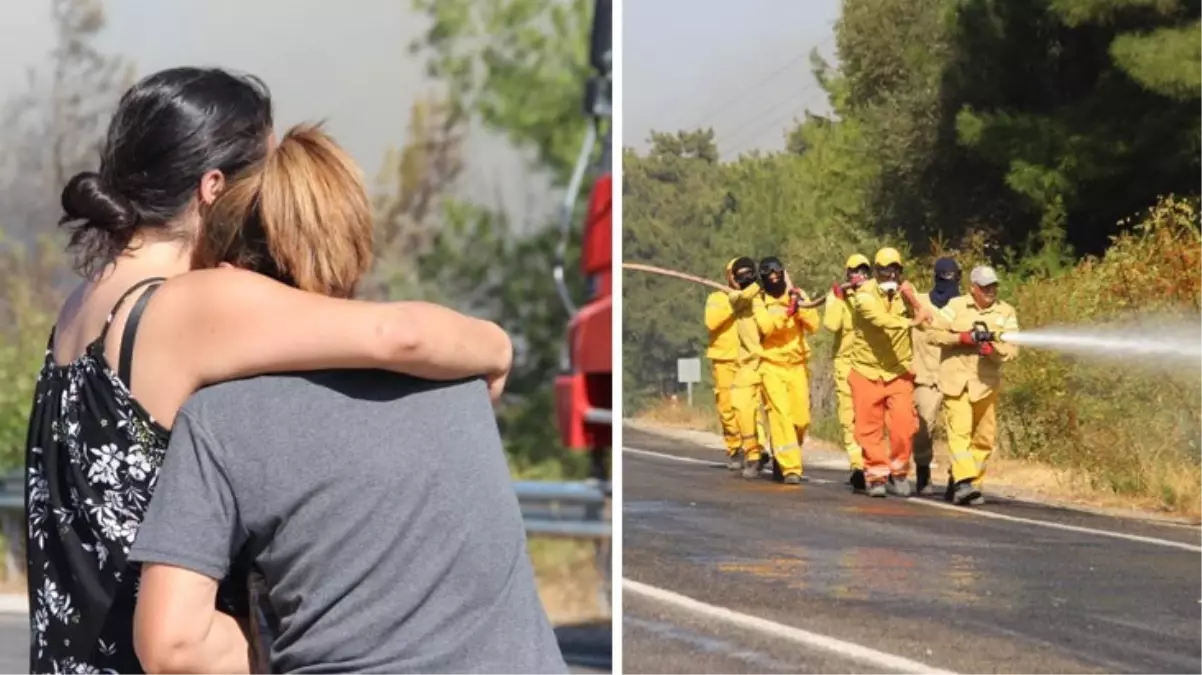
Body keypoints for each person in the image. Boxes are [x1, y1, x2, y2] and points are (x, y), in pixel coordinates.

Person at [24, 67, 513, 674]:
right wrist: (494, 346)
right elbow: (399, 335)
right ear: (213, 187)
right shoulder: (185, 304)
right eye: (262, 179)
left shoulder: (83, 303)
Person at [129, 125, 567, 674]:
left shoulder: (221, 418)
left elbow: (172, 645)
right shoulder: (457, 378)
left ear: (227, 274)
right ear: (355, 247)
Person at [926, 265, 1019, 505]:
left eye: (994, 286)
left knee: (984, 438)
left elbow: (1011, 350)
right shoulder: (955, 307)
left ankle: (967, 482)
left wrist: (993, 349)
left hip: (985, 385)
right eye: (985, 287)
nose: (991, 291)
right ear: (973, 288)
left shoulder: (1006, 312)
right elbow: (933, 334)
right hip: (956, 382)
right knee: (960, 433)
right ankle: (964, 482)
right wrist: (962, 338)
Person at [846, 247, 927, 498]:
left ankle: (899, 472)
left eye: (894, 269)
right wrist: (911, 322)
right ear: (876, 271)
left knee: (904, 425)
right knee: (869, 428)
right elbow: (880, 320)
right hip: (866, 371)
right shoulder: (864, 295)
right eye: (883, 269)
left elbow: (928, 318)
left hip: (898, 371)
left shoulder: (906, 292)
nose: (889, 274)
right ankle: (876, 476)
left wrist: (915, 303)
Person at [751, 256, 820, 484]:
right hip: (771, 366)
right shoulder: (759, 300)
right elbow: (765, 327)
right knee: (780, 415)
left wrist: (799, 307)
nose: (773, 279)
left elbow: (814, 325)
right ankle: (790, 468)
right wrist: (785, 313)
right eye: (768, 276)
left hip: (797, 365)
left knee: (800, 420)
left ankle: (783, 453)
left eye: (776, 274)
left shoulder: (797, 295)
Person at [910, 257, 962, 494]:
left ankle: (957, 478)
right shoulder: (919, 301)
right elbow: (903, 289)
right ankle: (923, 471)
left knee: (959, 431)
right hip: (925, 377)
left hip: (956, 378)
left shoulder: (963, 307)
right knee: (923, 428)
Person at [824, 253, 871, 492]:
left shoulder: (875, 294)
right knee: (849, 416)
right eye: (855, 271)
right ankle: (857, 466)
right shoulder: (837, 296)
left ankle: (876, 463)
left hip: (871, 364)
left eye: (864, 271)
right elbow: (831, 325)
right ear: (847, 275)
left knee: (872, 417)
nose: (859, 275)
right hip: (845, 363)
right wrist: (839, 300)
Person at [724, 257, 769, 479]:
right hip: (748, 362)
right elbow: (741, 297)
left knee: (782, 416)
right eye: (738, 274)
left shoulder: (768, 295)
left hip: (774, 362)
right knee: (741, 406)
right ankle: (753, 454)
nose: (744, 277)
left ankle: (786, 462)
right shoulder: (735, 297)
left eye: (748, 272)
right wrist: (756, 287)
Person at [705, 258, 747, 469]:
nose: (738, 277)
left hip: (748, 359)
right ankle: (735, 448)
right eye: (735, 273)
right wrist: (734, 303)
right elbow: (711, 322)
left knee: (749, 407)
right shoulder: (717, 297)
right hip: (724, 359)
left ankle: (753, 448)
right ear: (728, 276)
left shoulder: (753, 296)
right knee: (727, 408)